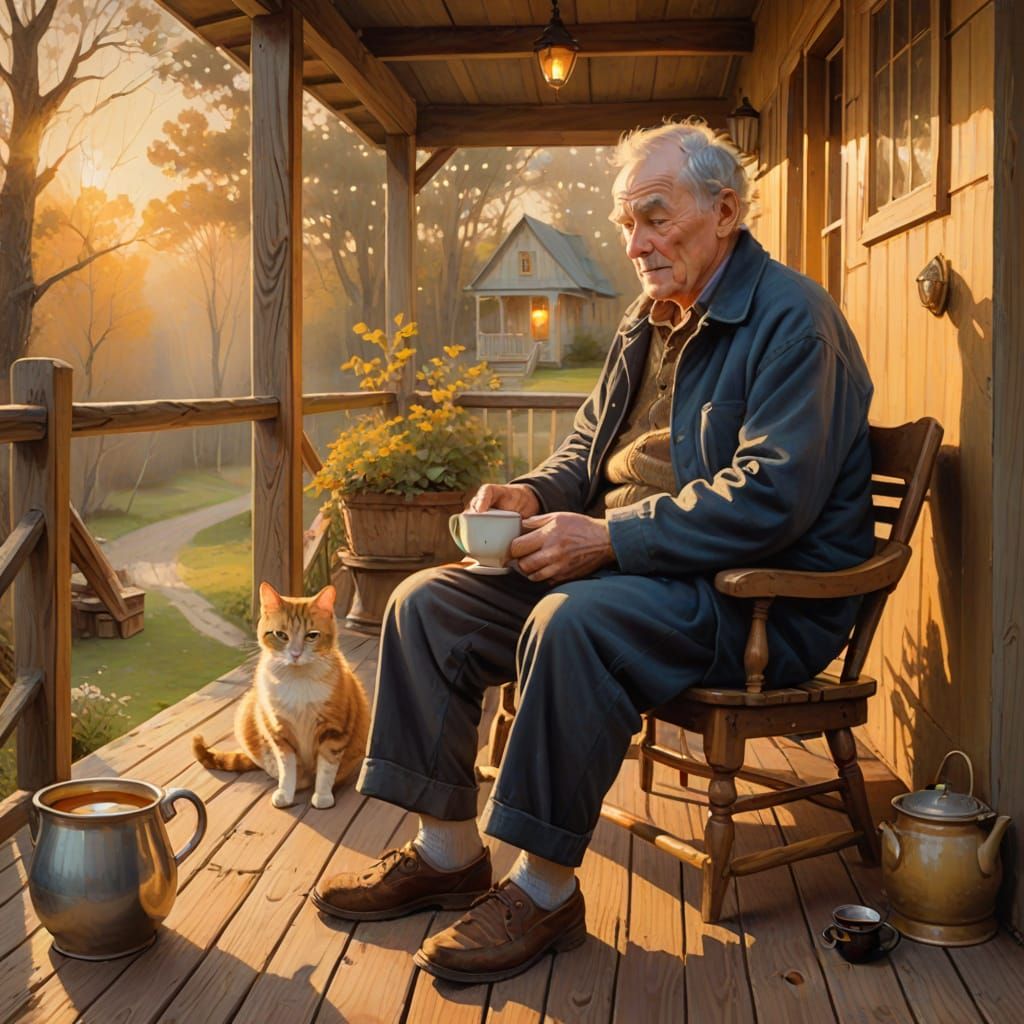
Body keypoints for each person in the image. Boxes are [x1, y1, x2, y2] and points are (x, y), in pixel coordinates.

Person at [312, 119, 875, 984]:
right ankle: (448, 852)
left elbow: (772, 497)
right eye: (626, 224)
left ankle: (543, 891)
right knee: (428, 602)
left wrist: (611, 538)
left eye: (656, 217)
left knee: (571, 621)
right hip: (638, 572)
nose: (636, 243)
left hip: (755, 599)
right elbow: (585, 453)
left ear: (726, 212)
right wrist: (532, 496)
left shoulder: (795, 322)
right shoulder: (645, 321)